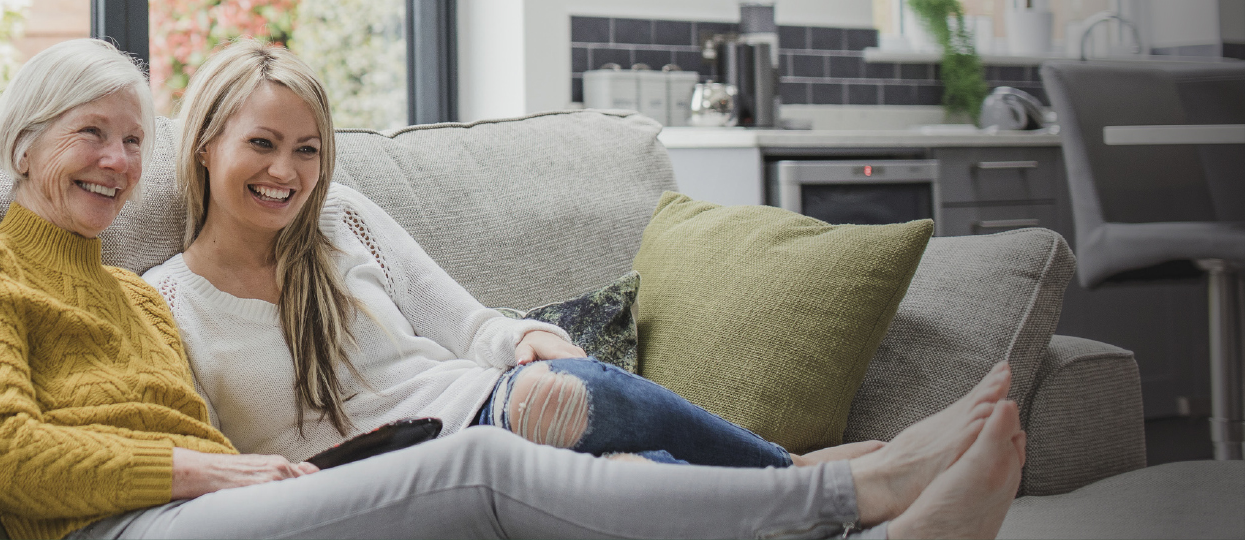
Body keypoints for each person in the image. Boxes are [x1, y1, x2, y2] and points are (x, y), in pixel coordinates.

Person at [0, 38, 1025, 540]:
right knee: (503, 453)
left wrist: (517, 347)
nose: (115, 161)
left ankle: (856, 507)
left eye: (128, 138)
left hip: (230, 496)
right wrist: (212, 472)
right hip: (142, 522)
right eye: (89, 137)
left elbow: (208, 435)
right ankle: (850, 498)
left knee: (604, 454)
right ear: (24, 144)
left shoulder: (128, 295)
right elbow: (6, 456)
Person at [143, 40, 876, 469]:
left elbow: (466, 325)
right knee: (605, 445)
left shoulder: (340, 217)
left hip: (479, 410)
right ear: (206, 146)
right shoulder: (166, 301)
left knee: (613, 447)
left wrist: (527, 338)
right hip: (387, 475)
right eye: (262, 145)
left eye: (307, 151)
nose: (286, 173)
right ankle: (806, 478)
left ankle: (813, 488)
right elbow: (207, 456)